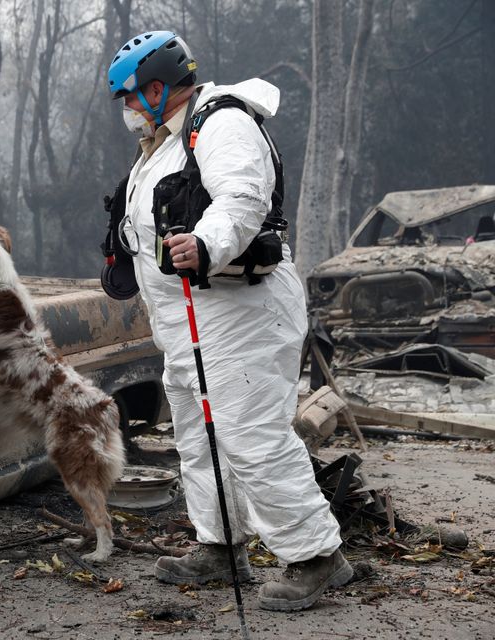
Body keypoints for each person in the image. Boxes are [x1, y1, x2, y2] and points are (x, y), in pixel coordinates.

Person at [105, 30, 352, 612]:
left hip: (240, 313)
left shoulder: (220, 123)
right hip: (187, 321)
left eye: (130, 97)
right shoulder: (159, 145)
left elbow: (241, 199)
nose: (126, 110)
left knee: (250, 435)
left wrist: (206, 243)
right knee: (197, 434)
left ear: (160, 88)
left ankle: (318, 556)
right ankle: (222, 545)